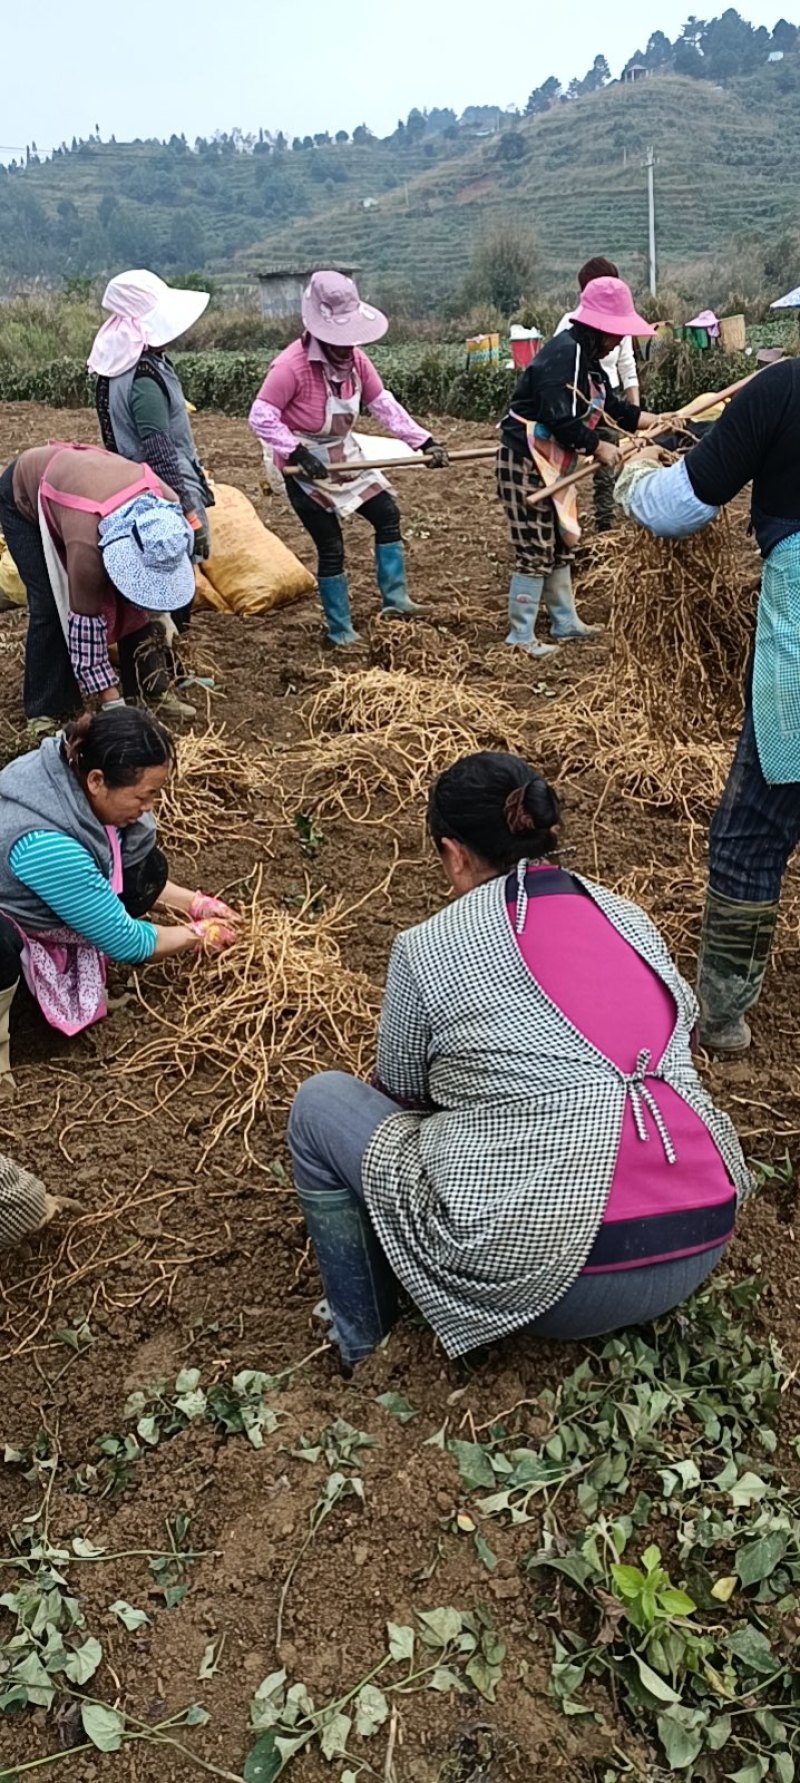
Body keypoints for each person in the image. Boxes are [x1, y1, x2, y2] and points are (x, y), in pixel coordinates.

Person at [287, 751, 751, 1369]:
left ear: (453, 852)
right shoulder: (629, 917)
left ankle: (363, 1342)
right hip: (702, 1234)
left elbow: (401, 1093)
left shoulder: (428, 946)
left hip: (560, 1282)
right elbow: (682, 1034)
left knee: (320, 1104)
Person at [614, 358, 800, 1053]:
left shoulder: (782, 390)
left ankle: (721, 1014)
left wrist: (632, 473)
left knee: (751, 835)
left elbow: (676, 508)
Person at [0, 706, 237, 1084]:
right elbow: (127, 941)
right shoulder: (46, 843)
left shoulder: (71, 770)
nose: (150, 807)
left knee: (147, 865)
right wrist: (199, 936)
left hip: (45, 885)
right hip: (7, 920)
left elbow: (120, 875)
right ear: (97, 781)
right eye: (144, 795)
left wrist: (195, 903)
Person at [248, 270, 449, 647]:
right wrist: (295, 451)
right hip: (304, 465)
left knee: (386, 514)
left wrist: (423, 441)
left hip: (344, 452)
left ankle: (396, 599)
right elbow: (260, 416)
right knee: (331, 545)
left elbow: (382, 403)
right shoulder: (290, 367)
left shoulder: (357, 362)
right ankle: (341, 629)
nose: (346, 347)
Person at [497, 275, 657, 657]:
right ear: (599, 328)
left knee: (560, 541)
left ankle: (565, 621)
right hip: (525, 460)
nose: (620, 341)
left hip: (555, 461)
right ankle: (520, 636)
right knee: (534, 546)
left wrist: (660, 420)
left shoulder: (589, 362)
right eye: (616, 333)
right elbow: (558, 416)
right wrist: (596, 446)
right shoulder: (564, 354)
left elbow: (613, 409)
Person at [0, 443, 196, 727]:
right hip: (26, 498)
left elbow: (160, 577)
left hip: (86, 484)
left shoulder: (166, 503)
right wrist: (112, 705)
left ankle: (149, 688)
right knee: (51, 604)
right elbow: (85, 628)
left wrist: (160, 614)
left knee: (135, 599)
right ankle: (47, 709)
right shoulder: (87, 548)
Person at [90, 269, 214, 672]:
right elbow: (159, 450)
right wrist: (188, 515)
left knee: (150, 588)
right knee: (171, 586)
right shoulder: (142, 376)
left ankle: (167, 673)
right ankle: (167, 675)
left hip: (134, 491)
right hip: (161, 493)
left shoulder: (119, 369)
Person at [555, 256, 641, 534]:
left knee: (607, 467)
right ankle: (565, 524)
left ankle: (605, 526)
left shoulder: (619, 326)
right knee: (565, 465)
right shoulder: (569, 335)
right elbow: (558, 406)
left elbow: (627, 368)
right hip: (575, 404)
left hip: (606, 401)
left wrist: (636, 419)